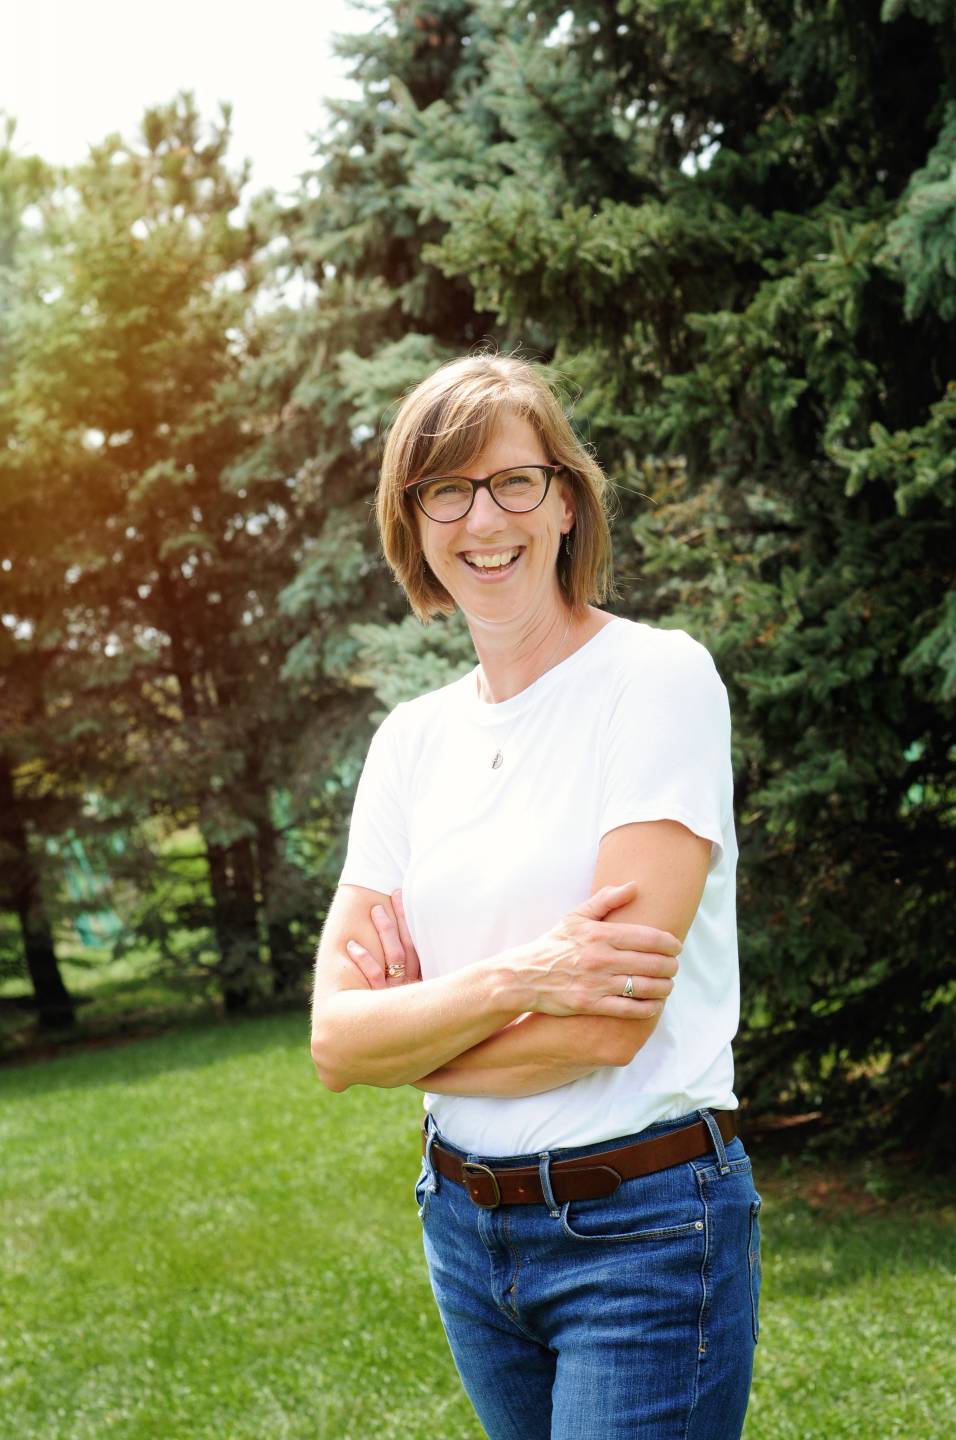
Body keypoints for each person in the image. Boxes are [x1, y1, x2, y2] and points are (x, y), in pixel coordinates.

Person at [310, 353, 762, 1440]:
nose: (483, 517)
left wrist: (404, 1042)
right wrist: (523, 977)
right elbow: (333, 1037)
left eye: (512, 481)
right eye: (445, 491)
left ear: (563, 500)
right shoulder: (408, 744)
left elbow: (606, 1030)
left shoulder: (652, 681)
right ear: (413, 524)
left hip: (642, 1230)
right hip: (463, 1233)